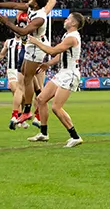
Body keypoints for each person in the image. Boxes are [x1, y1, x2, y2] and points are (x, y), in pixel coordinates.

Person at [0, 0, 57, 126]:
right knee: (26, 75)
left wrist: (6, 22)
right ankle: (33, 107)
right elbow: (50, 1)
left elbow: (22, 31)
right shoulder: (32, 7)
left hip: (36, 46)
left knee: (29, 79)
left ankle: (30, 111)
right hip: (28, 46)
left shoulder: (39, 16)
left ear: (35, 3)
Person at [24, 12, 86, 148]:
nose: (65, 20)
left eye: (68, 19)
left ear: (74, 23)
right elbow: (59, 55)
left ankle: (75, 136)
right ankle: (44, 133)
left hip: (70, 74)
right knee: (40, 99)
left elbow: (52, 51)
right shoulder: (67, 36)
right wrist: (48, 64)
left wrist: (36, 42)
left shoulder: (72, 37)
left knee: (56, 107)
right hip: (63, 73)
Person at [0, 15, 31, 130]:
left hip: (22, 70)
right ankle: (16, 117)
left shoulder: (27, 42)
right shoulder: (9, 42)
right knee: (15, 90)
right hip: (12, 70)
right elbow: (2, 54)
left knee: (23, 96)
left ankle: (20, 117)